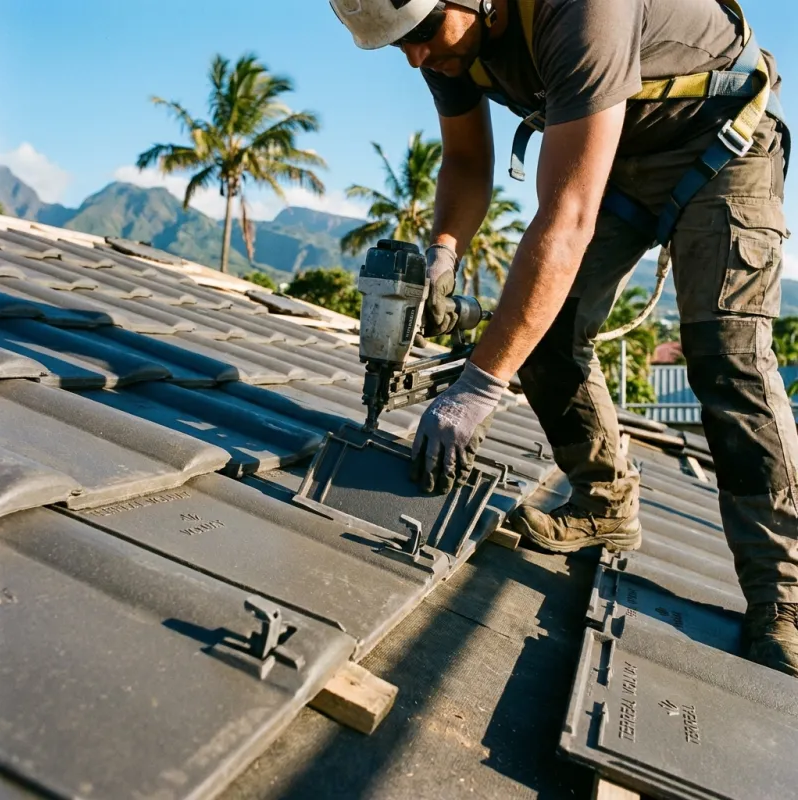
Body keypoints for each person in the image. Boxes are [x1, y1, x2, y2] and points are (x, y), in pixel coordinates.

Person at [330, 0, 798, 678]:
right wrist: (444, 251)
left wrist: (479, 388)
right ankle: (604, 504)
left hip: (723, 144)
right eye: (400, 47)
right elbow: (465, 160)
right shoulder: (444, 36)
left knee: (727, 359)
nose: (416, 58)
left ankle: (783, 602)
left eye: (423, 36)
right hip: (622, 156)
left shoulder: (578, 10)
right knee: (540, 335)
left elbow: (567, 217)